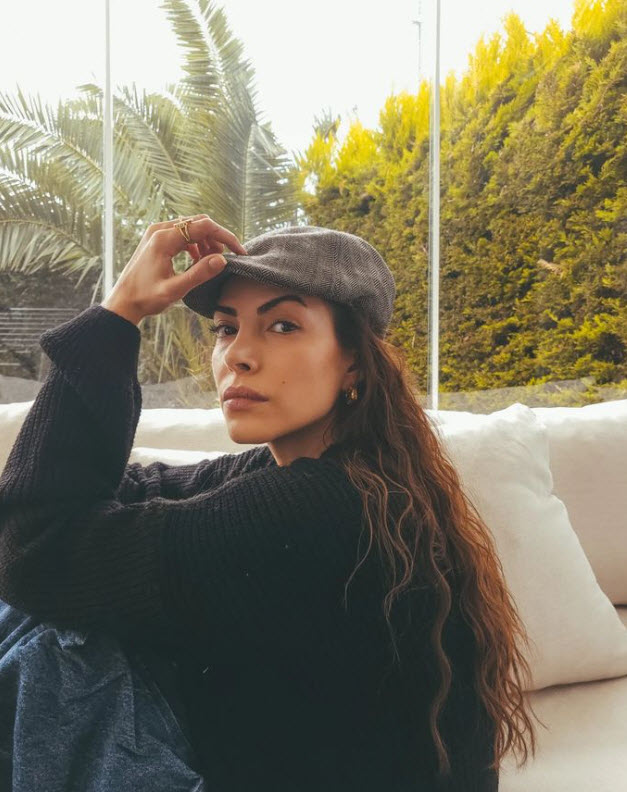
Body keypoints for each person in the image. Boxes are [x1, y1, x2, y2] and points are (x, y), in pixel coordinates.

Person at [0, 217, 538, 791]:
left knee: (58, 648)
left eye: (282, 326)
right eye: (226, 328)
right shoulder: (341, 474)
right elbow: (90, 496)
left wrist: (120, 313)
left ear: (354, 361)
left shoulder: (315, 511)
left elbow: (34, 547)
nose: (238, 355)